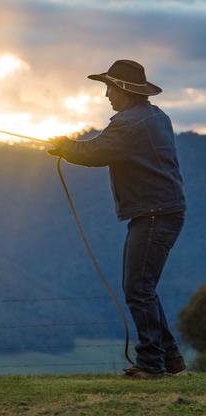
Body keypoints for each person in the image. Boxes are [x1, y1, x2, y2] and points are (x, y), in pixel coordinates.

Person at [48, 59, 186, 379]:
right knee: (143, 288)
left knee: (138, 289)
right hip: (162, 211)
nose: (107, 94)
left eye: (109, 87)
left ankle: (151, 364)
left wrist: (63, 147)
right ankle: (170, 358)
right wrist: (67, 147)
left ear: (124, 90)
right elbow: (100, 149)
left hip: (153, 214)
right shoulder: (156, 117)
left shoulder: (130, 123)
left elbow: (95, 153)